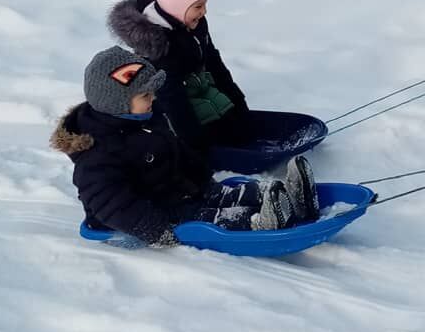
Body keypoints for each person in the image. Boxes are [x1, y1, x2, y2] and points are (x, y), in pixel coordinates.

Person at [52, 46, 319, 246]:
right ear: (117, 104)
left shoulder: (146, 118)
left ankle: (285, 195)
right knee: (208, 219)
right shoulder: (97, 152)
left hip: (180, 191)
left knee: (226, 195)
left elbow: (175, 151)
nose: (153, 99)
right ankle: (259, 222)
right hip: (155, 211)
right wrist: (155, 229)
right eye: (145, 95)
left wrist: (201, 176)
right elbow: (111, 204)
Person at [108, 0, 250, 151]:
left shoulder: (193, 23)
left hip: (197, 87)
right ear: (177, 5)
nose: (204, 11)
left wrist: (237, 100)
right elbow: (172, 99)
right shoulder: (158, 42)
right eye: (198, 6)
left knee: (237, 124)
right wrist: (195, 144)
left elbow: (213, 61)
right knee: (217, 131)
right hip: (166, 106)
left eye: (204, 4)